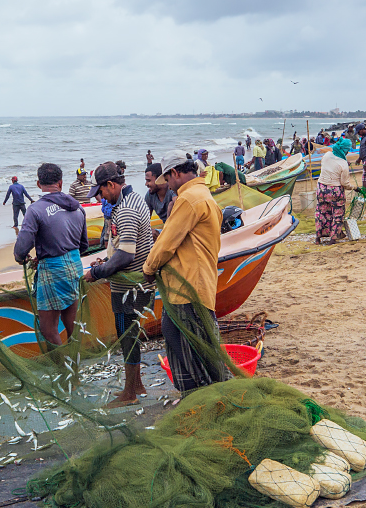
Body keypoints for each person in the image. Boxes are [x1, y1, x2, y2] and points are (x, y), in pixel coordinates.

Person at [143, 152, 226, 394]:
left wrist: (149, 268)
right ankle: (200, 394)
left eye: (167, 179)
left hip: (188, 289)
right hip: (198, 285)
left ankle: (202, 396)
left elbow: (167, 242)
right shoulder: (204, 195)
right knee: (190, 339)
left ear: (176, 173)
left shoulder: (188, 199)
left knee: (188, 345)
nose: (167, 185)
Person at [84, 161, 156, 405]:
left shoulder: (125, 210)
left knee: (127, 336)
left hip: (129, 289)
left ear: (111, 185)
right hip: (139, 286)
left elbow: (126, 256)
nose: (101, 197)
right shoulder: (135, 199)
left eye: (102, 191)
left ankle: (129, 394)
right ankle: (137, 384)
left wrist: (97, 273)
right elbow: (123, 245)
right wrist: (106, 258)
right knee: (132, 334)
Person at [13, 163, 87, 347]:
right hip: (75, 266)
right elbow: (83, 245)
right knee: (72, 325)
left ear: (39, 184)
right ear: (61, 183)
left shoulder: (35, 210)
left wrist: (22, 257)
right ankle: (75, 366)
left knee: (48, 329)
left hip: (53, 271)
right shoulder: (78, 208)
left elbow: (22, 248)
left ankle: (62, 369)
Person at [316, 138, 353, 244]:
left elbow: (328, 165)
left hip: (321, 188)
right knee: (337, 214)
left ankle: (318, 238)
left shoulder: (327, 155)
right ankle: (333, 238)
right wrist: (355, 188)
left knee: (321, 213)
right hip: (335, 191)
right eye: (347, 150)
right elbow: (345, 184)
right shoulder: (343, 164)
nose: (347, 152)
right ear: (344, 150)